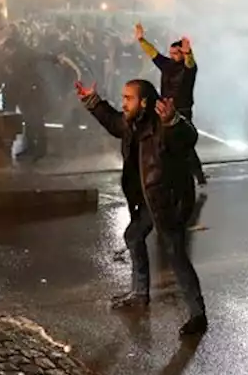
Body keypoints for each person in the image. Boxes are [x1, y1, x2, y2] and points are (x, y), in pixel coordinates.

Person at [76, 78, 208, 337]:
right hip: (149, 198)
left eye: (129, 98)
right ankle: (139, 294)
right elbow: (113, 122)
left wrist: (173, 120)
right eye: (123, 97)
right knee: (134, 236)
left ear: (144, 102)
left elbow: (188, 136)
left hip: (169, 201)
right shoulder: (130, 123)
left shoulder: (162, 126)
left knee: (175, 255)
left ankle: (198, 315)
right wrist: (93, 101)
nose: (123, 103)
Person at [135, 24, 207, 187]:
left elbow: (190, 62)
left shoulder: (189, 69)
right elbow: (153, 53)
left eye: (176, 53)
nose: (172, 55)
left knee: (184, 143)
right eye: (171, 53)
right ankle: (171, 173)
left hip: (182, 110)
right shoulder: (167, 65)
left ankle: (198, 174)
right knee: (165, 141)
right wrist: (141, 40)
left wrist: (188, 52)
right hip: (165, 109)